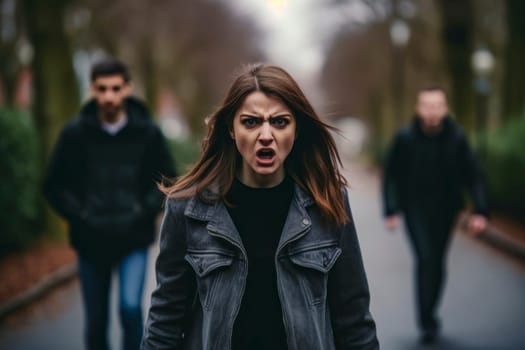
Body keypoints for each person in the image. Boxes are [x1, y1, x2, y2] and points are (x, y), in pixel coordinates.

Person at [141, 63, 379, 350]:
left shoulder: (327, 202)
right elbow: (166, 317)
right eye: (251, 122)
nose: (266, 134)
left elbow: (353, 317)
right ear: (231, 128)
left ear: (297, 129)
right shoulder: (188, 209)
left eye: (279, 121)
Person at [44, 58, 176, 350]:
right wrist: (80, 214)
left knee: (130, 309)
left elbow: (169, 178)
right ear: (92, 90)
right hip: (91, 240)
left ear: (128, 88)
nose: (109, 97)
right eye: (102, 89)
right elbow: (53, 185)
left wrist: (143, 209)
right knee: (96, 322)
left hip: (134, 239)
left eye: (116, 88)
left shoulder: (148, 133)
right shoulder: (74, 134)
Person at [382, 86, 489, 344]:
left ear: (445, 108)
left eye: (437, 106)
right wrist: (391, 210)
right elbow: (391, 176)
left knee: (437, 262)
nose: (432, 111)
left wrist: (480, 210)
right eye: (427, 106)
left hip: (446, 210)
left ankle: (430, 313)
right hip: (414, 209)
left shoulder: (457, 138)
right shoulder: (405, 138)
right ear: (418, 109)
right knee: (426, 257)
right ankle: (427, 321)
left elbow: (473, 175)